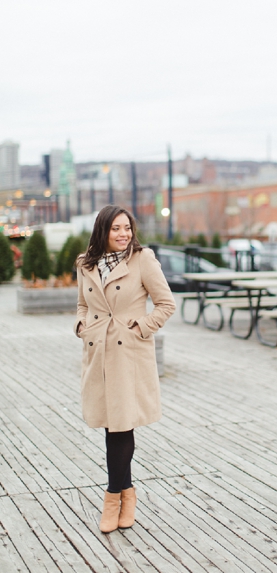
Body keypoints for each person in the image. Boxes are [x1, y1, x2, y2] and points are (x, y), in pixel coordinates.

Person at [74, 205, 176, 533]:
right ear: (102, 230)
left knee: (120, 427)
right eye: (116, 228)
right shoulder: (85, 263)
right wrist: (82, 326)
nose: (123, 234)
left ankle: (114, 497)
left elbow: (166, 304)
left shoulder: (143, 260)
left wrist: (140, 328)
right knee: (110, 425)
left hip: (127, 353)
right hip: (98, 352)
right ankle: (127, 492)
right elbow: (82, 303)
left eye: (127, 228)